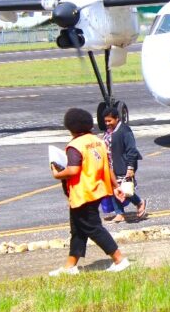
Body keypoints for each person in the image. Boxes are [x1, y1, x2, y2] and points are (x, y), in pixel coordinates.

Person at [49, 108, 130, 276]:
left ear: (70, 127)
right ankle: (70, 266)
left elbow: (72, 170)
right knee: (78, 229)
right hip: (97, 190)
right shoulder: (97, 141)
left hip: (83, 193)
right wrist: (116, 186)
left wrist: (57, 173)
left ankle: (119, 259)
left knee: (93, 228)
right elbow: (108, 167)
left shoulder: (75, 146)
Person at [103, 107, 146, 223]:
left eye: (109, 121)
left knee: (124, 190)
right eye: (106, 121)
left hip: (123, 164)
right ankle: (119, 213)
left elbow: (131, 149)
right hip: (112, 165)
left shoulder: (125, 131)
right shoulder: (109, 131)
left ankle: (139, 202)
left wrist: (130, 167)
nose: (107, 123)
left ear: (117, 118)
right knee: (115, 188)